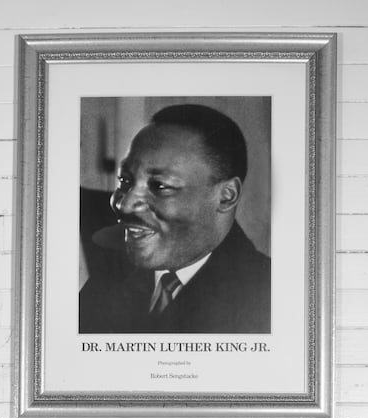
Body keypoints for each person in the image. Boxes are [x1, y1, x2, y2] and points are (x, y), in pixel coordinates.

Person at [79, 103, 271, 335]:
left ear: (226, 196)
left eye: (160, 186)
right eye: (125, 181)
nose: (124, 204)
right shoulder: (106, 281)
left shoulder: (270, 295)